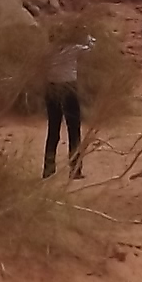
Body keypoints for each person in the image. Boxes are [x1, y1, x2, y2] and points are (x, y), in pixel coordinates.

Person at [42, 34, 94, 179]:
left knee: (53, 129)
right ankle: (75, 169)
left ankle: (48, 169)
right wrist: (88, 36)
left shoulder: (47, 50)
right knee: (74, 129)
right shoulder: (74, 48)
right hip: (68, 89)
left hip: (51, 89)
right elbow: (90, 47)